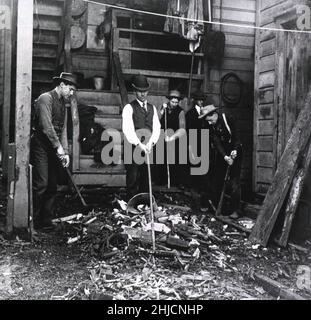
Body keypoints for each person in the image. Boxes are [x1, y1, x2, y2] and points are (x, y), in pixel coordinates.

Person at [31, 72, 77, 229]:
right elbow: (46, 126)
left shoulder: (63, 105)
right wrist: (58, 148)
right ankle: (32, 221)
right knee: (41, 184)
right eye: (70, 89)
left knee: (52, 184)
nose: (71, 94)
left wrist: (65, 152)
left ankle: (45, 220)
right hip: (41, 146)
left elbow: (62, 130)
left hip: (54, 148)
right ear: (62, 85)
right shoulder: (45, 98)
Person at [199, 103, 243, 219]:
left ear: (213, 115)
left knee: (234, 182)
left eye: (209, 120)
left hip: (235, 150)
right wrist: (225, 157)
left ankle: (235, 210)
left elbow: (237, 136)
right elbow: (217, 142)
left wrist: (234, 151)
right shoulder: (210, 126)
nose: (208, 122)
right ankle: (217, 206)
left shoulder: (228, 118)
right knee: (217, 179)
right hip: (222, 153)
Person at [122, 75, 161, 200]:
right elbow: (128, 130)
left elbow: (156, 128)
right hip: (133, 146)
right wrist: (139, 144)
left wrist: (152, 142)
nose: (142, 94)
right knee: (133, 176)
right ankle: (131, 202)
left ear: (148, 91)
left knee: (146, 175)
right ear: (134, 91)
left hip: (148, 146)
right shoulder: (129, 108)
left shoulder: (152, 108)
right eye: (139, 91)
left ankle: (143, 203)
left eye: (145, 91)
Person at [157, 90, 186, 187]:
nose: (174, 104)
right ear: (169, 100)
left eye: (176, 102)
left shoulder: (180, 111)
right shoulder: (163, 108)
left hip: (174, 138)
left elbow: (182, 129)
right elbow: (156, 120)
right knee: (161, 160)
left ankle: (174, 183)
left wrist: (172, 138)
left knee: (174, 160)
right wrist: (161, 111)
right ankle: (161, 181)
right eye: (173, 102)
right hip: (162, 137)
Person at [185, 90, 205, 189]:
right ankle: (192, 186)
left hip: (203, 140)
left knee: (203, 162)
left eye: (202, 100)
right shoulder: (190, 113)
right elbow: (188, 129)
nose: (201, 102)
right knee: (193, 162)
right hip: (193, 140)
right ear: (195, 101)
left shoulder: (206, 112)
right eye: (199, 100)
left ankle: (200, 185)